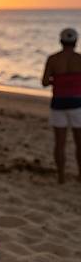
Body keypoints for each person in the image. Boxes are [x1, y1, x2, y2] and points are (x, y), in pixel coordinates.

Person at [42, 28, 81, 184]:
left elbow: (44, 82)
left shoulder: (53, 59)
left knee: (60, 143)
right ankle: (80, 175)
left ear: (60, 41)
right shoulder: (80, 59)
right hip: (77, 103)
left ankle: (61, 176)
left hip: (58, 103)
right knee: (79, 142)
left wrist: (57, 81)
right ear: (76, 42)